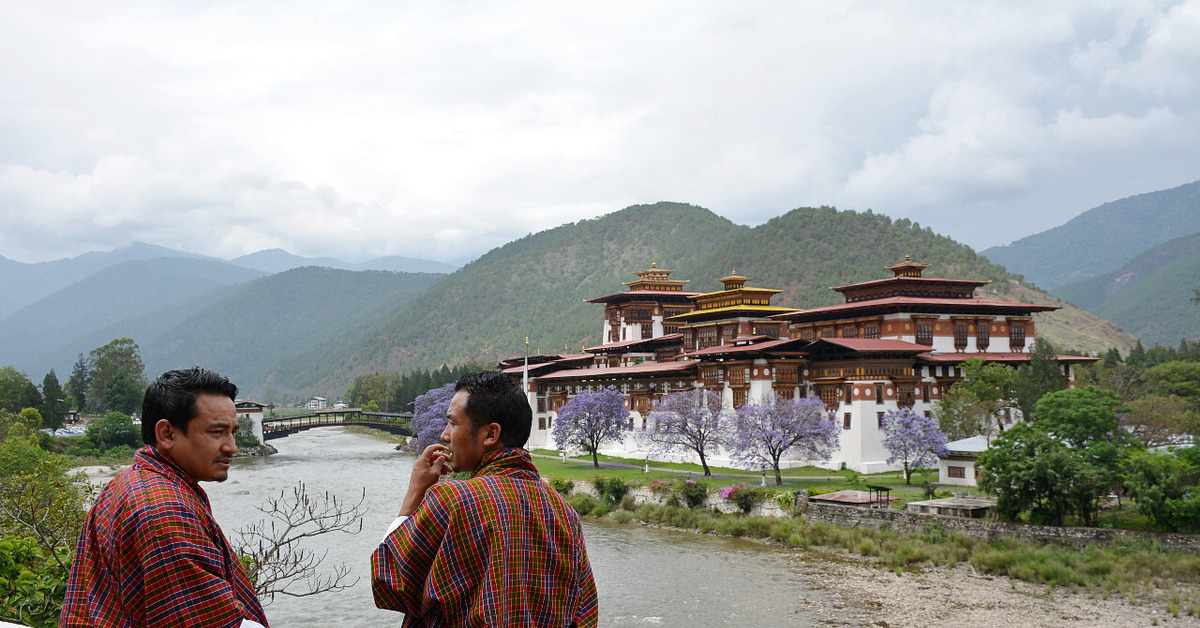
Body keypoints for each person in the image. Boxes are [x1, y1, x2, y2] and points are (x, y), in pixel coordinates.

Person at [372, 371, 599, 627]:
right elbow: (585, 614)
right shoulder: (564, 512)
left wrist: (414, 493)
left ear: (490, 434)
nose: (445, 435)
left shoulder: (452, 499)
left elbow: (388, 580)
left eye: (453, 424)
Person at [60, 368, 268, 628]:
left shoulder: (128, 484)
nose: (231, 447)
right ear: (167, 434)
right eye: (217, 432)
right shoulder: (163, 509)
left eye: (233, 432)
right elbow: (213, 622)